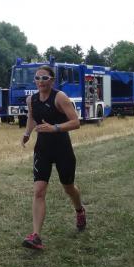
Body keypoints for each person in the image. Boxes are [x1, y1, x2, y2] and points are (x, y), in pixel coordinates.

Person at [21, 65, 85, 250]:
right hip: (42, 149)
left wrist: (54, 128)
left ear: (52, 80)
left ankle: (79, 210)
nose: (40, 81)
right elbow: (32, 117)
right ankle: (36, 236)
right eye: (37, 78)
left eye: (44, 78)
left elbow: (76, 122)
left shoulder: (60, 97)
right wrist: (27, 133)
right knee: (39, 191)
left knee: (69, 187)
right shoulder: (31, 100)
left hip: (62, 149)